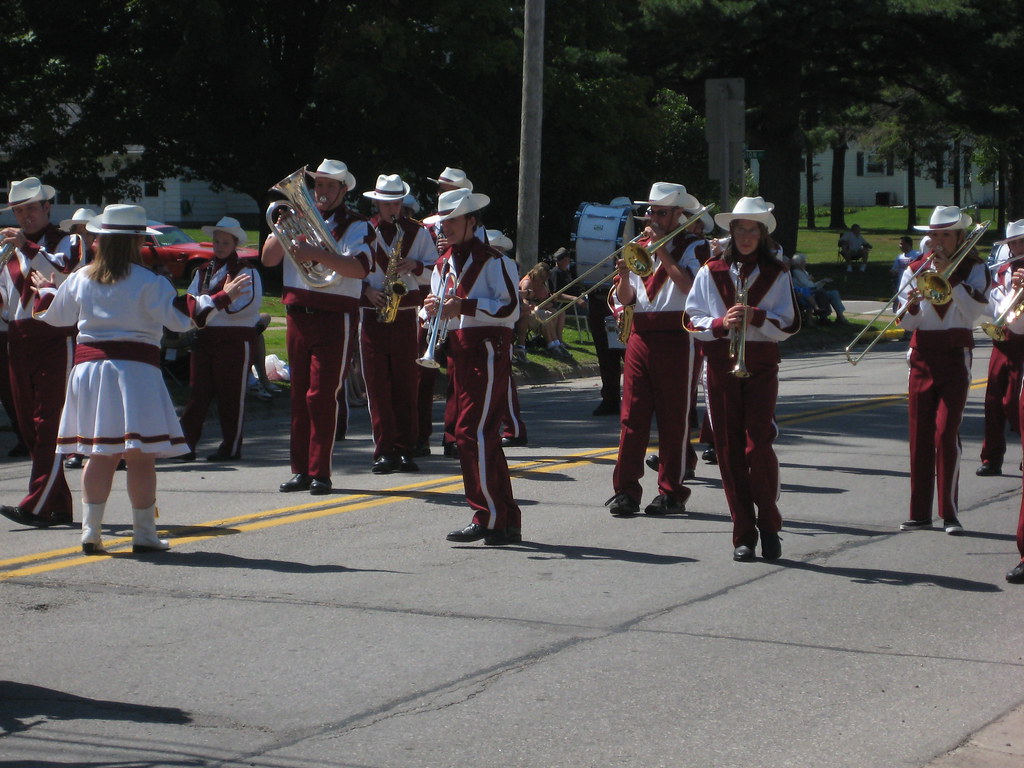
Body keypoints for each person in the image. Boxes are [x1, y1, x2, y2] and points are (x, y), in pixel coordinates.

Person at [30, 204, 249, 554]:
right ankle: (144, 533)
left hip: (90, 373)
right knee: (139, 455)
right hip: (135, 373)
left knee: (97, 454)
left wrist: (44, 290)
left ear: (100, 240)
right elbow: (180, 319)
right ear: (138, 242)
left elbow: (56, 316)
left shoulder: (81, 277)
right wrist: (223, 296)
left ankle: (91, 532)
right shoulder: (151, 281)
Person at [684, 196, 800, 561]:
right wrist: (721, 323)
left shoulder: (777, 272)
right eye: (740, 228)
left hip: (762, 363)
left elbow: (790, 323)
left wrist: (757, 317)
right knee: (729, 451)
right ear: (731, 232)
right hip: (721, 363)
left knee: (758, 445)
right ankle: (743, 534)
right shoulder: (711, 269)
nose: (746, 235)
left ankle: (769, 523)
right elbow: (691, 319)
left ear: (762, 233)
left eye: (753, 229)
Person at [261, 159, 373, 496]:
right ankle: (301, 471)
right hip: (298, 312)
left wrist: (315, 253)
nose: (321, 192)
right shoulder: (297, 218)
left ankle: (320, 471)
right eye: (318, 185)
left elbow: (358, 269)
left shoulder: (357, 225)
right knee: (298, 396)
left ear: (343, 190)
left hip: (334, 316)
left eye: (329, 186)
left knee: (321, 396)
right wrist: (282, 229)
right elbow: (268, 259)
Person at [422, 188, 522, 546]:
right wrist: (429, 310)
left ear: (471, 221)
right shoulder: (443, 263)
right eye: (442, 221)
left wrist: (460, 307)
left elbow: (509, 308)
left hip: (488, 349)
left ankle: (488, 516)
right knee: (481, 436)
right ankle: (504, 517)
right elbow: (436, 309)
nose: (445, 227)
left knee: (471, 434)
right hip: (460, 351)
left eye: (452, 220)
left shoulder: (495, 261)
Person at [605, 182, 702, 518]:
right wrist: (623, 278)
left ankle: (672, 492)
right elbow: (628, 300)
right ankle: (626, 491)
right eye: (650, 211)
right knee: (631, 417)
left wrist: (661, 250)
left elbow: (691, 289)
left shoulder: (694, 245)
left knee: (673, 417)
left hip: (676, 333)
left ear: (678, 214)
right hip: (640, 334)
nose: (653, 217)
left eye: (661, 212)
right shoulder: (638, 245)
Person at [897, 206, 989, 535]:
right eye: (934, 234)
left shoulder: (975, 268)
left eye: (945, 235)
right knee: (919, 437)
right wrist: (914, 303)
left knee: (946, 433)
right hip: (922, 354)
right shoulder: (915, 268)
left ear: (960, 237)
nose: (937, 241)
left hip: (955, 353)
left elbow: (979, 314)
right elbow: (906, 321)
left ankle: (949, 512)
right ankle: (919, 513)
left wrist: (952, 277)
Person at [0, 177, 84, 528]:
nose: (25, 216)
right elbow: (7, 300)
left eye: (31, 208)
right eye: (19, 210)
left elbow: (64, 273)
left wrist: (27, 247)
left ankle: (35, 503)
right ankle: (59, 504)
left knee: (48, 422)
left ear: (48, 207)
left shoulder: (69, 241)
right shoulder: (9, 248)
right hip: (18, 337)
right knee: (27, 425)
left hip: (54, 335)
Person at [360, 174, 436, 474]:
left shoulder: (417, 233)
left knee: (406, 383)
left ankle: (406, 447)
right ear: (376, 202)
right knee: (377, 385)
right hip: (372, 312)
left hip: (405, 313)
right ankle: (384, 450)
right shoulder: (364, 230)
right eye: (385, 202)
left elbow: (436, 272)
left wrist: (414, 266)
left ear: (402, 203)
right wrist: (366, 289)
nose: (391, 208)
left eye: (396, 202)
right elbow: (349, 268)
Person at [178, 217, 262, 463]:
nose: (220, 246)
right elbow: (191, 302)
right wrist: (219, 299)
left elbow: (244, 305)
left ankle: (231, 447)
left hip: (235, 339)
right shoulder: (203, 270)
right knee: (198, 394)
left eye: (225, 242)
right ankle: (186, 445)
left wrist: (209, 306)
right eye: (217, 241)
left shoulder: (247, 270)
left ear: (235, 243)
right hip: (205, 338)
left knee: (231, 396)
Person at [977, 220, 1024, 477]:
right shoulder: (1003, 270)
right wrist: (1011, 292)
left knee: (1016, 404)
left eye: (1021, 242)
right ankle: (991, 457)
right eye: (1013, 243)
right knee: (993, 402)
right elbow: (991, 307)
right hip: (1002, 340)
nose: (1017, 247)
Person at [486, 229, 528, 448]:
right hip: (488, 328)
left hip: (501, 327)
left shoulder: (504, 263)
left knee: (504, 384)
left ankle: (514, 428)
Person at [516, 261, 572, 360]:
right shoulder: (528, 283)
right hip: (528, 312)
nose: (543, 280)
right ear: (537, 273)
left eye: (545, 278)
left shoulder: (541, 283)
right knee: (548, 316)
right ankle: (553, 344)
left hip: (538, 310)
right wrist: (543, 305)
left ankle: (556, 343)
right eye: (542, 277)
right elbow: (527, 302)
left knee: (555, 313)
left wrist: (550, 300)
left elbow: (543, 297)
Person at [790, 254, 849, 324]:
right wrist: (810, 280)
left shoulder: (804, 272)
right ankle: (824, 316)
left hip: (811, 292)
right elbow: (809, 286)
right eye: (804, 262)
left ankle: (840, 316)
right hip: (806, 294)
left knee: (834, 293)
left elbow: (813, 285)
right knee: (821, 292)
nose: (805, 263)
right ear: (798, 263)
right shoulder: (797, 273)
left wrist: (822, 281)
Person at [889, 236, 921, 310]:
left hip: (914, 284)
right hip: (901, 284)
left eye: (901, 244)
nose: (900, 246)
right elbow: (894, 270)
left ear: (907, 244)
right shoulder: (899, 257)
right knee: (899, 303)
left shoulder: (917, 255)